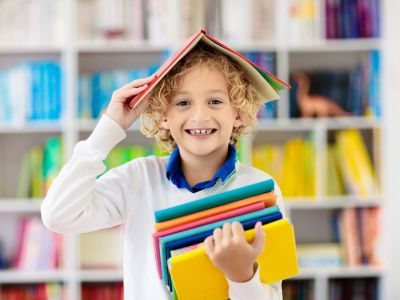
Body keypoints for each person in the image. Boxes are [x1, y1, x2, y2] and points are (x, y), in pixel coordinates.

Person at [41, 43, 286, 299]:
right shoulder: (138, 178)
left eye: (215, 101)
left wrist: (242, 277)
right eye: (182, 103)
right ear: (163, 116)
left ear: (237, 113)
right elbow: (57, 214)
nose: (199, 115)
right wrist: (109, 129)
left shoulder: (262, 189)